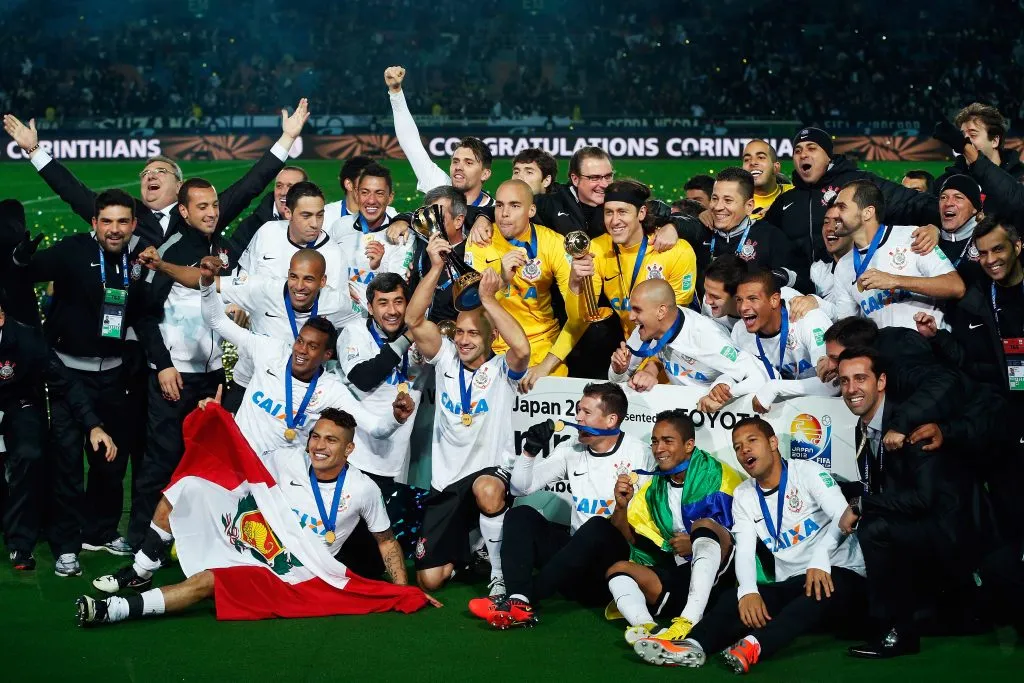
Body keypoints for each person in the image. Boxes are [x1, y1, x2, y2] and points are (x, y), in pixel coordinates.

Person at [77, 410, 438, 627]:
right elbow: (237, 457)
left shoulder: (363, 489)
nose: (319, 446)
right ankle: (141, 570)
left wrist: (401, 588)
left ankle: (114, 610)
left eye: (331, 440)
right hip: (258, 539)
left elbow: (386, 541)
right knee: (187, 486)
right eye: (315, 437)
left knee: (209, 582)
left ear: (349, 448)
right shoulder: (286, 460)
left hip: (293, 571)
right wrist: (214, 418)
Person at [634, 418, 865, 672]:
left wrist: (821, 558)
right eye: (737, 446)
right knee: (734, 596)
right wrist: (747, 591)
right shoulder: (744, 494)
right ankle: (692, 645)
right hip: (791, 586)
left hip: (843, 579)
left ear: (773, 443)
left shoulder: (807, 471)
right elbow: (743, 550)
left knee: (822, 588)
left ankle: (755, 645)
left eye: (752, 441)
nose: (744, 450)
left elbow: (844, 517)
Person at [10, 189, 143, 568]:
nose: (114, 230)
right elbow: (30, 273)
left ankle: (100, 532)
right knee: (67, 461)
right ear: (94, 224)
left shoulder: (140, 258)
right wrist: (21, 257)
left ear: (133, 224)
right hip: (69, 375)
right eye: (107, 222)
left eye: (122, 222)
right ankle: (66, 542)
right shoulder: (71, 251)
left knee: (110, 462)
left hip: (115, 375)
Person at [405, 233, 530, 596]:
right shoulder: (444, 358)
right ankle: (470, 551)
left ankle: (498, 573)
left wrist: (489, 299)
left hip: (487, 476)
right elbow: (414, 320)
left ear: (490, 338)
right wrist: (436, 267)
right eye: (459, 332)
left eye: (473, 333)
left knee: (488, 490)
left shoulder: (503, 371)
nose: (463, 340)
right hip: (445, 485)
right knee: (429, 578)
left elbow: (521, 347)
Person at [467, 383, 653, 628]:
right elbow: (519, 489)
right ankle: (517, 598)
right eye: (578, 410)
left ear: (611, 420)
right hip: (571, 569)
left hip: (610, 569)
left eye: (586, 412)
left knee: (597, 526)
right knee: (521, 515)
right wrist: (530, 451)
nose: (577, 417)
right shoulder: (570, 449)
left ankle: (524, 599)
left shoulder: (640, 454)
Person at [2, 102, 308, 248]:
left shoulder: (202, 213)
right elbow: (73, 191)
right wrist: (34, 151)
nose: (150, 176)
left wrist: (286, 140)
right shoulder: (126, 215)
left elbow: (250, 186)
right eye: (145, 172)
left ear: (179, 185)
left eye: (159, 171)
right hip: (138, 334)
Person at [837, 348, 968, 659]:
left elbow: (925, 499)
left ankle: (896, 631)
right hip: (914, 523)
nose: (851, 389)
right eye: (844, 381)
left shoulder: (910, 424)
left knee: (874, 528)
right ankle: (882, 618)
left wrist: (862, 504)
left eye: (860, 378)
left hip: (945, 530)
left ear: (881, 381)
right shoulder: (862, 427)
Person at [138, 248, 359, 413]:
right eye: (294, 276)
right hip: (249, 385)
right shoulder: (262, 289)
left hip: (302, 391)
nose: (299, 286)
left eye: (309, 279)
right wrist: (162, 266)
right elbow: (206, 282)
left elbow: (366, 325)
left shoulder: (338, 304)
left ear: (323, 282)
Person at [916, 215, 1024, 537]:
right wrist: (939, 339)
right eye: (982, 253)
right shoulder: (977, 298)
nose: (990, 261)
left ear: (1018, 246)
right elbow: (971, 364)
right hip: (1003, 419)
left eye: (998, 250)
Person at [0, 298, 116, 573]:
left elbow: (66, 383)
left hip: (18, 404)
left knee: (30, 454)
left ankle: (21, 542)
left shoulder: (27, 339)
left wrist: (93, 425)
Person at [606, 409, 740, 645]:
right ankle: (647, 628)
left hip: (724, 579)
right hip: (681, 579)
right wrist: (621, 506)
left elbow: (741, 537)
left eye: (668, 441)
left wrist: (695, 541)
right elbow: (627, 538)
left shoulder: (720, 477)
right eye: (655, 441)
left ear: (689, 445)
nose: (658, 449)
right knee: (618, 569)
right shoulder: (655, 486)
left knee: (703, 525)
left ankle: (689, 620)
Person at [467, 179, 587, 390]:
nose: (504, 213)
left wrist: (546, 365)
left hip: (543, 346)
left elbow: (578, 318)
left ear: (531, 210)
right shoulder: (480, 242)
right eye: (500, 205)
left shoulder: (553, 243)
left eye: (514, 206)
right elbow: (470, 308)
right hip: (493, 350)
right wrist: (502, 279)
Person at [763, 127, 940, 268]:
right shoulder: (786, 201)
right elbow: (762, 238)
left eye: (812, 148)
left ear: (828, 156)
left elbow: (908, 203)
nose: (803, 155)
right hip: (804, 293)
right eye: (797, 151)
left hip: (858, 284)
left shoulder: (858, 182)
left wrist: (938, 224)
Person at [608, 279, 766, 412]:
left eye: (637, 310)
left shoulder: (705, 337)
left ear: (661, 312)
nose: (631, 317)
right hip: (683, 410)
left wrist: (725, 392)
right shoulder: (645, 330)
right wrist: (618, 370)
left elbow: (761, 375)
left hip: (720, 416)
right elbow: (616, 382)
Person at [567, 179, 697, 339]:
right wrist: (574, 283)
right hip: (630, 349)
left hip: (672, 349)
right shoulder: (597, 248)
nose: (614, 221)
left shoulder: (677, 250)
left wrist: (649, 361)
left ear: (641, 213)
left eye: (622, 212)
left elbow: (675, 322)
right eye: (609, 212)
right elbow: (580, 318)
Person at [830, 180, 965, 330]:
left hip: (928, 347)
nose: (833, 213)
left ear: (867, 213)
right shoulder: (843, 266)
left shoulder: (912, 237)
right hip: (884, 351)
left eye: (841, 207)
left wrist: (895, 280)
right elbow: (849, 329)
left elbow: (956, 286)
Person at [384, 66, 494, 208]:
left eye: (468, 163)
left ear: (485, 174)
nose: (458, 167)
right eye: (455, 161)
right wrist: (396, 92)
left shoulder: (496, 214)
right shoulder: (440, 185)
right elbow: (411, 143)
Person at [730, 268, 836, 413]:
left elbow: (832, 385)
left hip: (823, 414)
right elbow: (737, 374)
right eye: (739, 300)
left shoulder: (809, 319)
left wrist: (775, 388)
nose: (742, 307)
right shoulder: (739, 331)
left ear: (774, 300)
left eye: (752, 299)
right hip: (774, 416)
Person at [693, 167, 804, 290]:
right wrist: (672, 226)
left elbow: (802, 282)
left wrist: (777, 278)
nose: (718, 207)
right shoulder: (701, 230)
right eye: (715, 198)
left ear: (749, 206)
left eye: (728, 200)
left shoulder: (770, 237)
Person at [236, 181, 345, 287]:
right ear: (288, 213)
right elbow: (245, 273)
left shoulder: (334, 254)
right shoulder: (267, 231)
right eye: (306, 216)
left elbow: (333, 302)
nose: (315, 224)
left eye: (320, 215)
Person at [328, 163, 413, 288]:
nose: (371, 200)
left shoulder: (402, 236)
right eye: (365, 192)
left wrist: (377, 266)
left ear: (390, 198)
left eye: (379, 193)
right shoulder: (340, 226)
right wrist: (343, 289)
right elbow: (327, 270)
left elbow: (396, 290)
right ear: (356, 195)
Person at [405, 186, 470, 323]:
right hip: (415, 331)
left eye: (438, 217)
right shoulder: (422, 245)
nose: (431, 223)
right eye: (429, 217)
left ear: (458, 221)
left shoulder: (472, 255)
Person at [224, 165, 308, 263]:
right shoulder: (251, 226)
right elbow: (232, 265)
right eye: (279, 186)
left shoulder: (317, 223)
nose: (283, 192)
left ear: (305, 191)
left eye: (291, 187)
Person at [933, 103, 1024, 189]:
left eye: (973, 135)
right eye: (961, 137)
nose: (964, 142)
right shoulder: (946, 182)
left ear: (995, 141)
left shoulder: (1019, 177)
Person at [935, 175, 985, 286]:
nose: (948, 203)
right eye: (943, 197)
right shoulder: (929, 240)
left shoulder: (986, 240)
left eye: (958, 197)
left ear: (974, 208)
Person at [324, 155, 399, 228]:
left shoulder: (390, 213)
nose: (371, 182)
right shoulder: (327, 215)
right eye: (364, 177)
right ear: (349, 184)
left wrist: (404, 221)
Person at [741, 140, 793, 219]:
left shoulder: (795, 195)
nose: (752, 162)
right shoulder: (734, 202)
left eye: (761, 157)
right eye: (747, 159)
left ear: (775, 168)